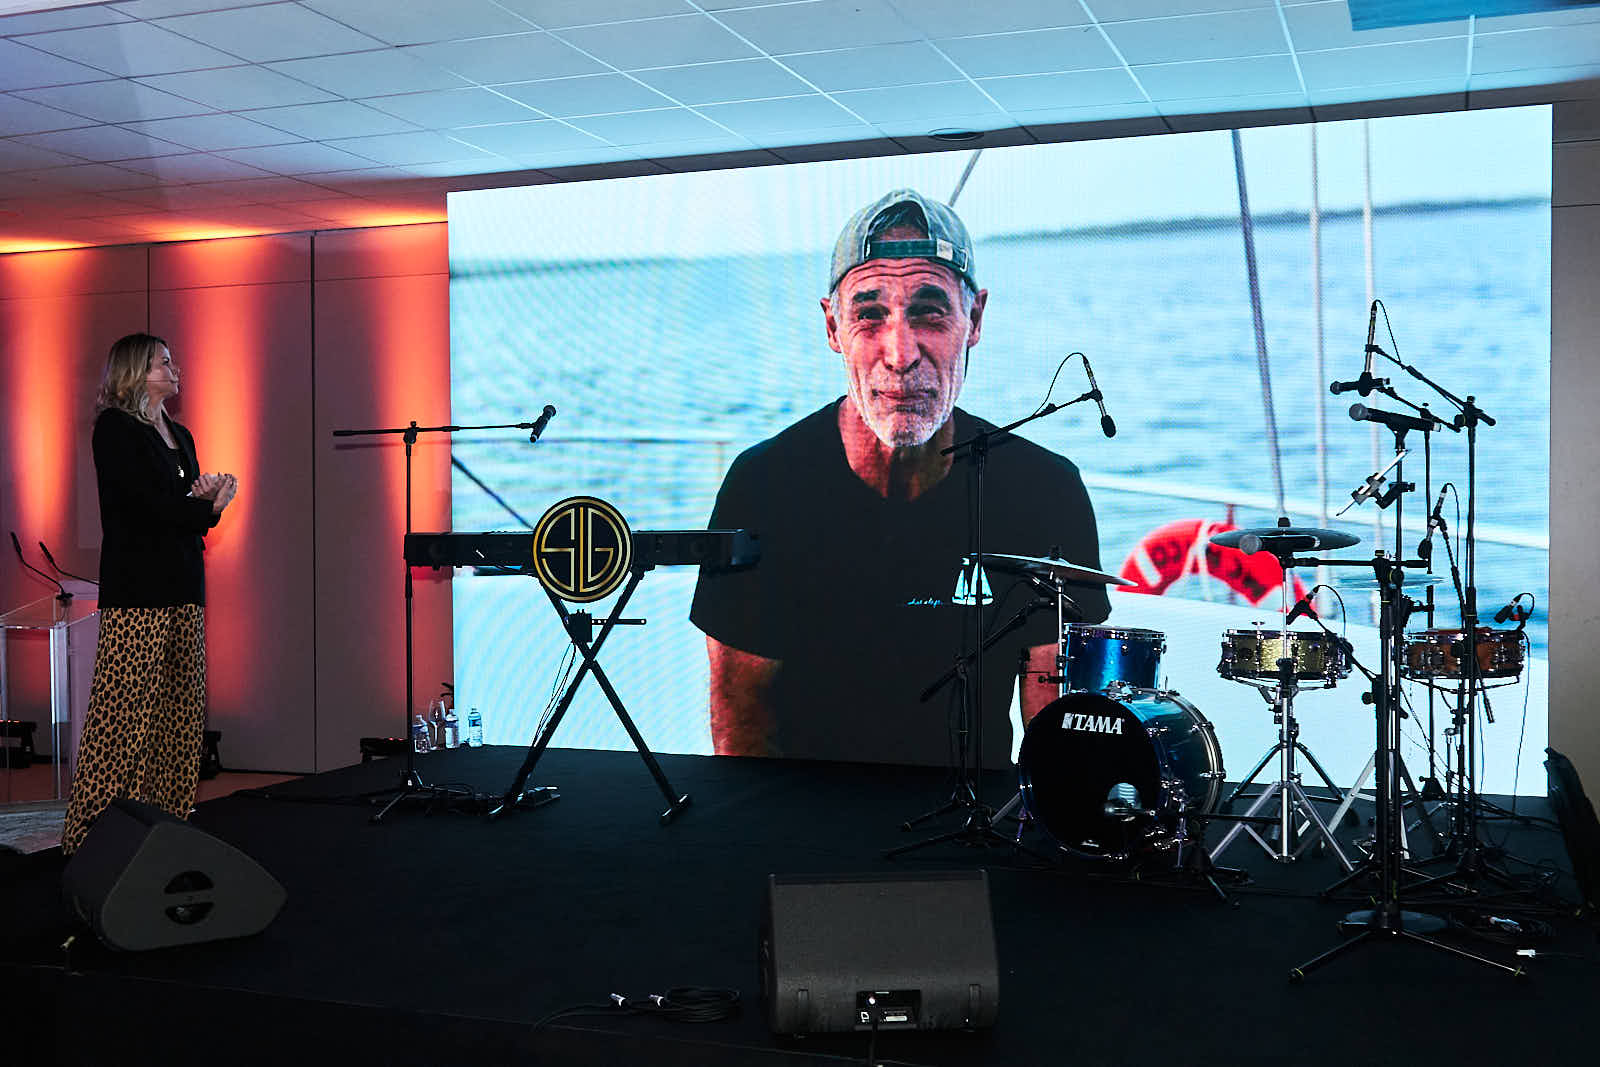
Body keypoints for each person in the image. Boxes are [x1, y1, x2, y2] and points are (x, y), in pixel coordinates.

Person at [690, 189, 1110, 768]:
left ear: (974, 319)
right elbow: (742, 725)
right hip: (802, 813)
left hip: (977, 816)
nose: (900, 354)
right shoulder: (763, 486)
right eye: (869, 314)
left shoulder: (1045, 490)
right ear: (833, 327)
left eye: (929, 312)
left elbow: (1057, 734)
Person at [61, 333, 238, 854]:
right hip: (138, 590)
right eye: (164, 361)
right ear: (137, 371)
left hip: (183, 585)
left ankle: (168, 827)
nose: (174, 367)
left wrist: (207, 502)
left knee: (180, 716)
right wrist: (206, 505)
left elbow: (185, 514)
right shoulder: (116, 430)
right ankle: (94, 836)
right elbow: (146, 507)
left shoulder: (180, 434)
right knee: (123, 717)